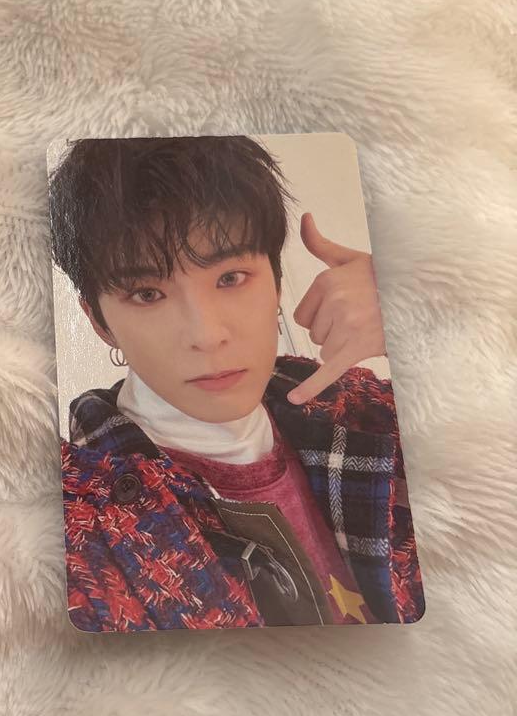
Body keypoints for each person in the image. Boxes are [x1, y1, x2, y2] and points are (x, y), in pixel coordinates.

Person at [48, 136, 425, 631]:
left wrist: (425, 319)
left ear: (276, 283)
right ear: (100, 322)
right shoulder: (75, 513)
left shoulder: (368, 410)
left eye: (230, 278)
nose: (207, 336)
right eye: (147, 293)